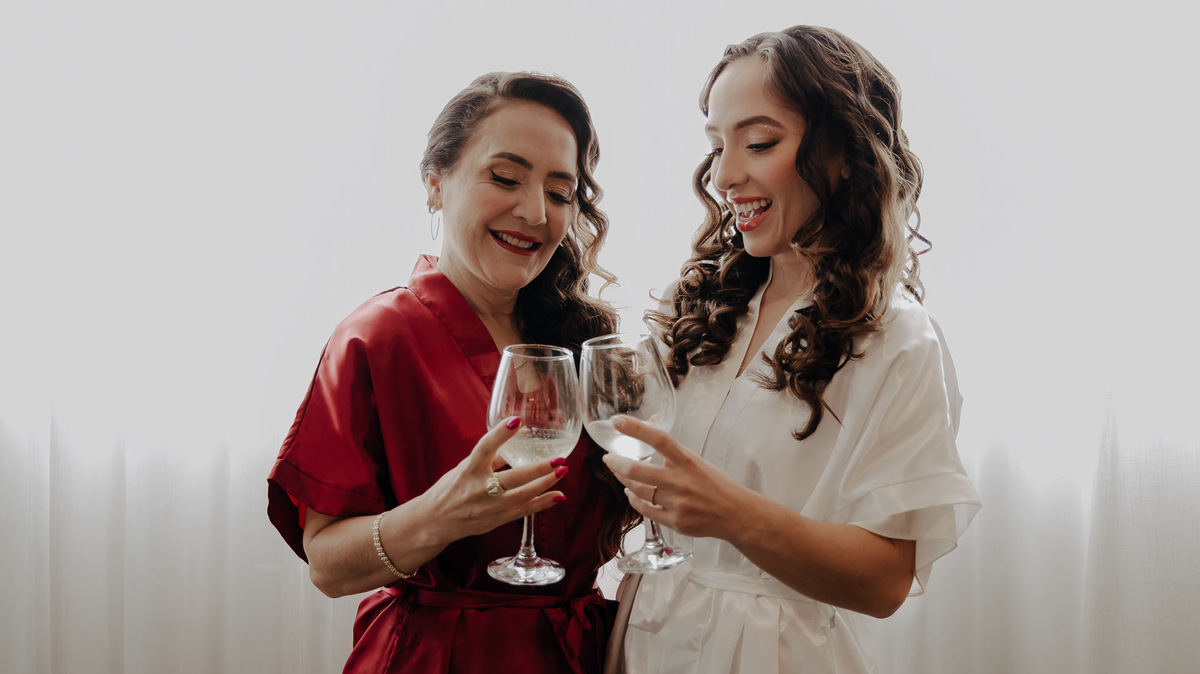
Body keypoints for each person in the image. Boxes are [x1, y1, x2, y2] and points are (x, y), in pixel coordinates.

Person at [602, 26, 982, 673]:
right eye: (717, 146)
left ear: (844, 151)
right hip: (647, 636)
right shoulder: (693, 307)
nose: (725, 175)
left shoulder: (897, 339)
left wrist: (730, 514)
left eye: (758, 142)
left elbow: (885, 582)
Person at [267, 71, 638, 674]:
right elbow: (328, 567)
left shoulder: (578, 342)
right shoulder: (377, 336)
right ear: (436, 184)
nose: (534, 211)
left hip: (579, 653)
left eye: (559, 192)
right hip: (441, 657)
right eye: (505, 178)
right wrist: (440, 516)